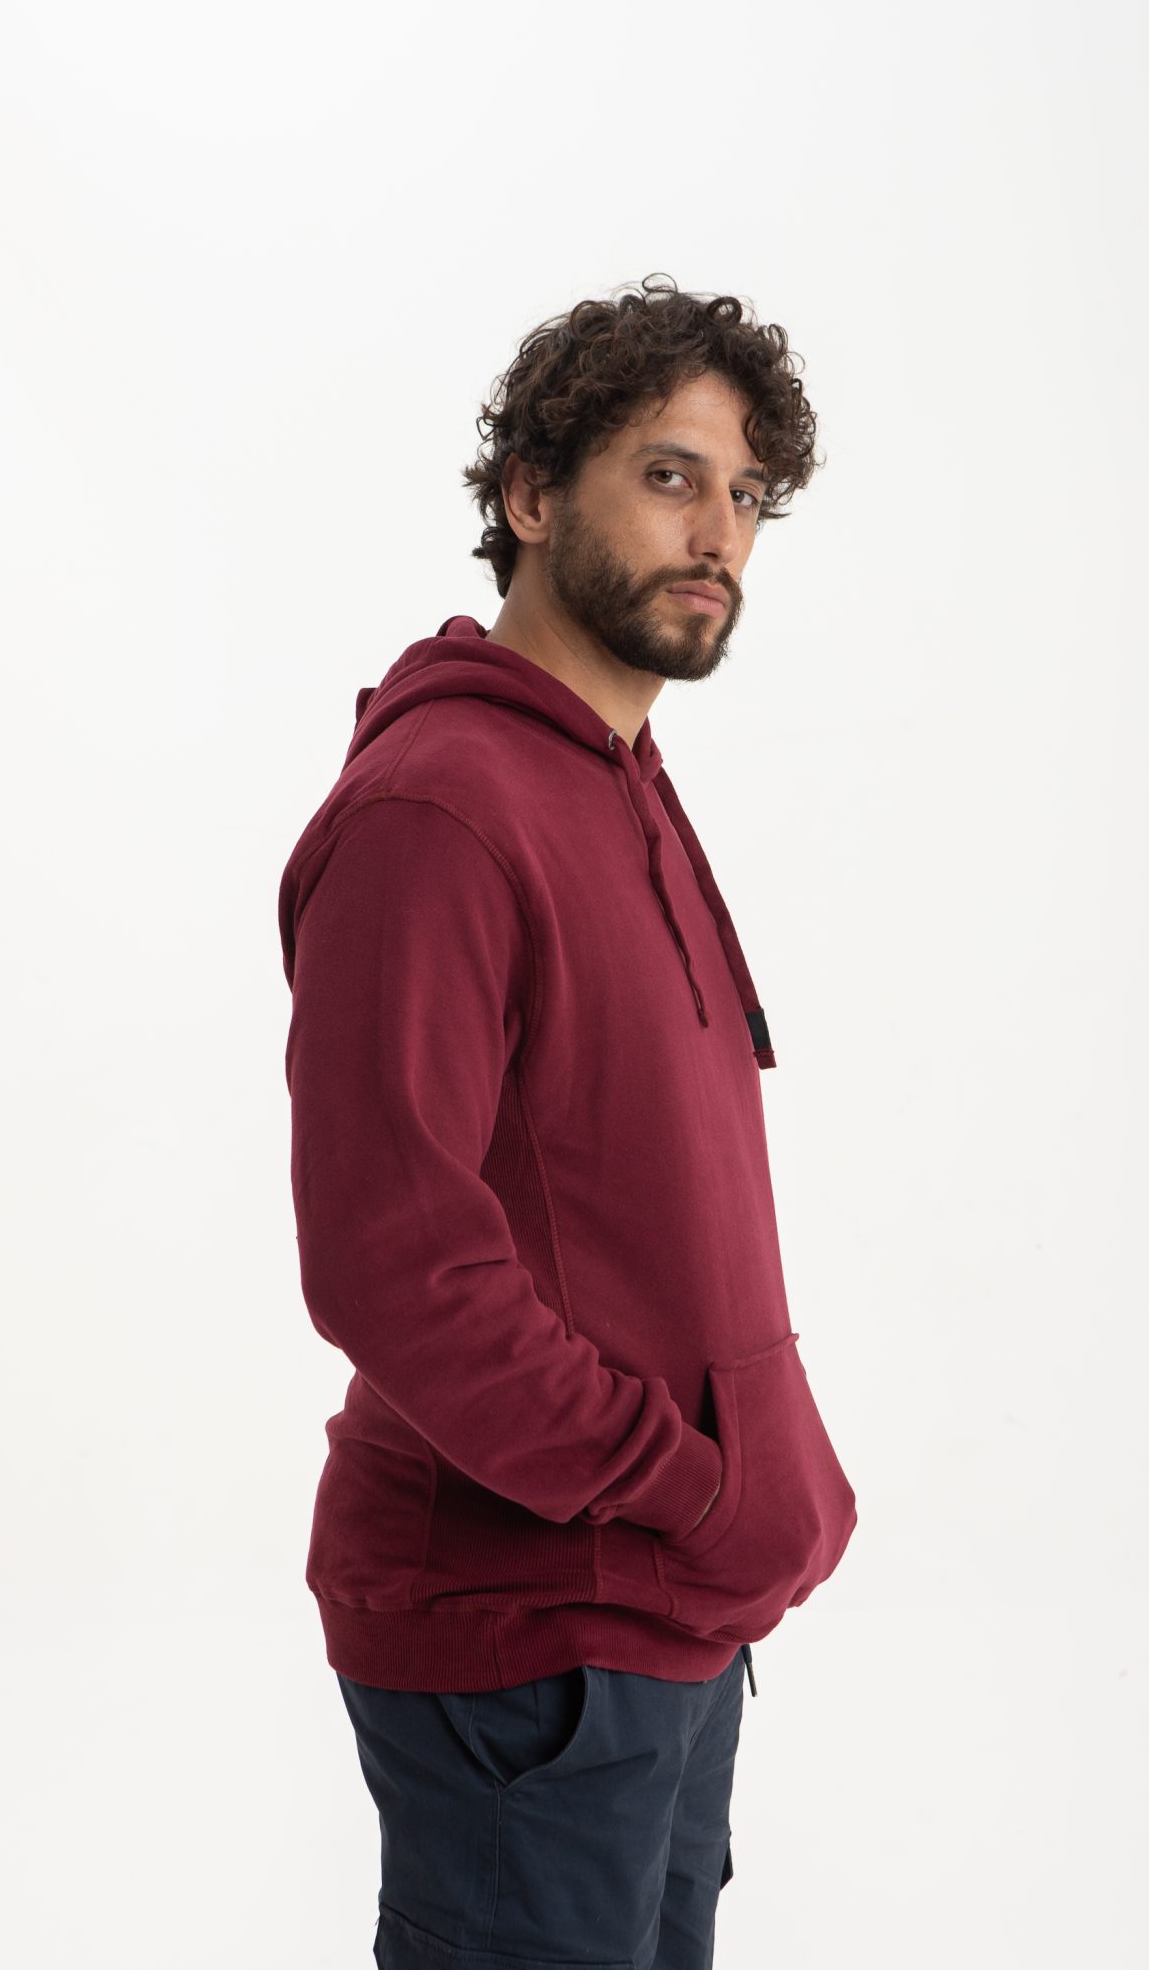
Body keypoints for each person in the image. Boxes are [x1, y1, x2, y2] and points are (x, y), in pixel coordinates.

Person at [277, 272, 858, 1969]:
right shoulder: (440, 811)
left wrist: (772, 1462)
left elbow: (645, 1209)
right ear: (530, 497)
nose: (718, 533)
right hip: (525, 1638)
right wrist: (694, 1487)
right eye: (668, 476)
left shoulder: (616, 779)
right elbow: (396, 1269)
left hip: (660, 1619)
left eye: (745, 494)